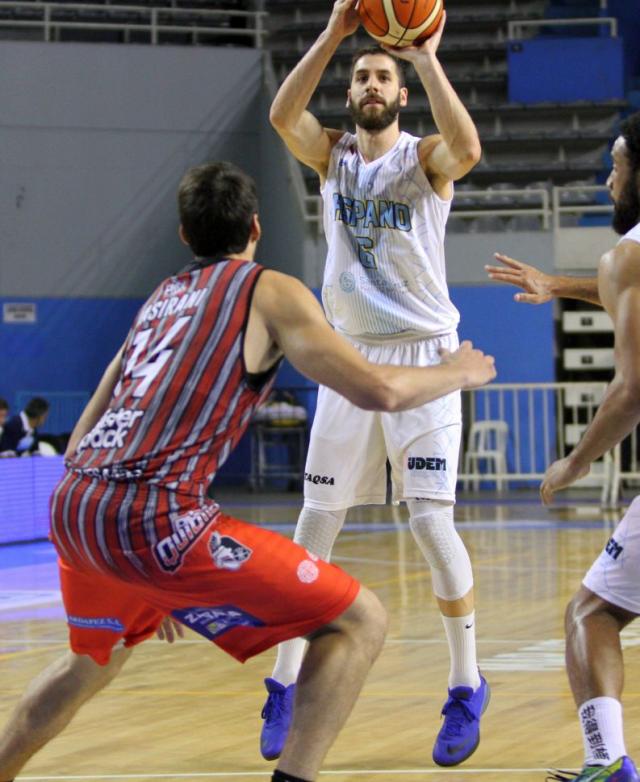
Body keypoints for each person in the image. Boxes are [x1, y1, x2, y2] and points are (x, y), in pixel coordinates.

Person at [0, 161, 496, 782]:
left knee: (88, 665)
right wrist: (462, 372)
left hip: (76, 503)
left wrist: (156, 574)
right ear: (256, 227)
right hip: (152, 514)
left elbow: (82, 436)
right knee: (360, 620)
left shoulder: (161, 298)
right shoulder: (271, 290)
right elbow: (379, 391)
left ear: (185, 235)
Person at [262, 0, 488, 768]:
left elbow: (469, 146)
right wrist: (333, 33)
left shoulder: (423, 159)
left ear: (398, 94)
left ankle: (465, 685)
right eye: (361, 74)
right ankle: (283, 679)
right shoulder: (332, 157)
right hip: (351, 356)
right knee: (315, 522)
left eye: (380, 75)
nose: (368, 82)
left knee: (430, 524)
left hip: (424, 354)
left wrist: (423, 54)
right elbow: (280, 114)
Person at [486, 112, 640, 782]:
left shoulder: (627, 255)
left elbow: (632, 390)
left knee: (592, 609)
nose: (609, 179)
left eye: (617, 163)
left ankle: (606, 763)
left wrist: (575, 462)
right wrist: (559, 285)